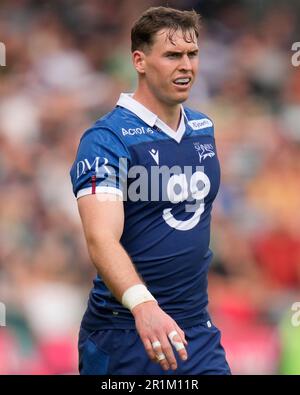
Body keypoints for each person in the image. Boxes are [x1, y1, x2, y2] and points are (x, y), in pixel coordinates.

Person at [70, 6, 231, 375]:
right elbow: (100, 238)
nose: (186, 66)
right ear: (139, 61)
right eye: (172, 55)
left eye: (192, 54)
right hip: (125, 330)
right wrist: (144, 306)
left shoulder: (203, 128)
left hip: (195, 330)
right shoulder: (106, 139)